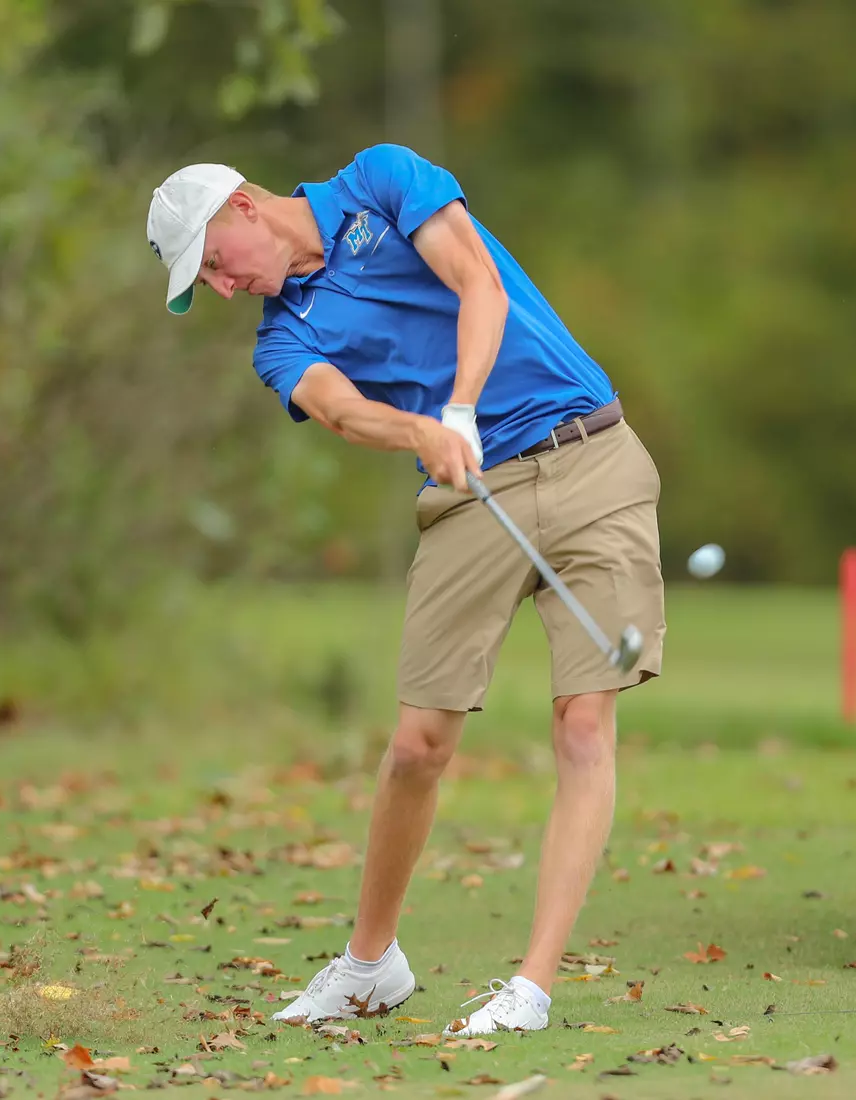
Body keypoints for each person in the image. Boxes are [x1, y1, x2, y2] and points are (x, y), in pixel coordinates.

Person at [144, 144, 666, 1037]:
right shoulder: (282, 339)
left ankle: (531, 989)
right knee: (418, 747)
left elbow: (479, 284)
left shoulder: (379, 182)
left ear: (241, 208)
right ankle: (371, 964)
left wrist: (458, 405)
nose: (224, 291)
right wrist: (419, 431)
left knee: (584, 721)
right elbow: (344, 411)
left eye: (216, 268)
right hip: (468, 493)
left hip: (592, 456)